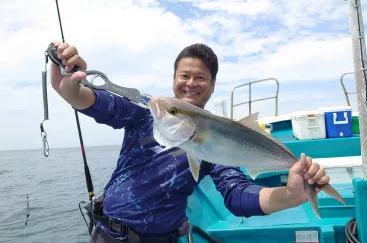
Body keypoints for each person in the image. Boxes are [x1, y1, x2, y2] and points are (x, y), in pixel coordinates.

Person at [51, 42, 330, 243]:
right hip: (108, 235)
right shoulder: (143, 113)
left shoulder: (218, 142)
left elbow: (237, 195)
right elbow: (89, 100)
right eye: (184, 76)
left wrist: (292, 195)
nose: (191, 83)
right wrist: (66, 76)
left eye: (200, 77)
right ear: (174, 79)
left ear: (212, 84)